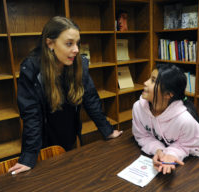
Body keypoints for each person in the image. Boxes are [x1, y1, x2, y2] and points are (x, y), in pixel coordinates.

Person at [8, 16, 122, 175]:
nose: (76, 49)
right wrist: (28, 157)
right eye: (69, 44)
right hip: (44, 138)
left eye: (77, 43)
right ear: (50, 43)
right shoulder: (31, 68)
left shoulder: (79, 63)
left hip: (69, 131)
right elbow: (31, 115)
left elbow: (90, 99)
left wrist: (107, 130)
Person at [132, 64, 199, 175]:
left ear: (168, 94)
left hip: (184, 165)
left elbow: (190, 146)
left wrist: (171, 154)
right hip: (154, 160)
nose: (145, 82)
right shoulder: (138, 107)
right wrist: (159, 150)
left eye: (153, 81)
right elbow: (142, 135)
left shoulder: (185, 120)